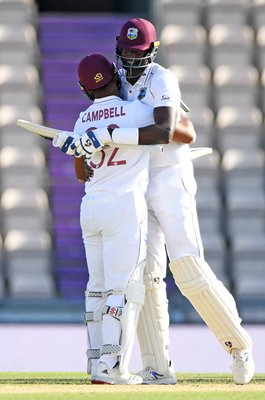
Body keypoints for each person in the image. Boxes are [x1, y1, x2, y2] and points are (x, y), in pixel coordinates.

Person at [64, 18, 255, 386]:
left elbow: (180, 131)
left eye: (139, 53)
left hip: (170, 178)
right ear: (119, 51)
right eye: (128, 53)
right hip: (137, 184)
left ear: (151, 51)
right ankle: (158, 368)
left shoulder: (161, 79)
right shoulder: (118, 86)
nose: (133, 61)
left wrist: (112, 134)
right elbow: (103, 134)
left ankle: (238, 346)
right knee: (147, 276)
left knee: (187, 268)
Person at [52, 53, 181, 385]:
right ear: (116, 76)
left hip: (91, 207)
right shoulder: (136, 111)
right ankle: (113, 368)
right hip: (124, 206)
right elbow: (165, 132)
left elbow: (82, 172)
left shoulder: (82, 120)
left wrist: (76, 146)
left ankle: (96, 364)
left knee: (96, 289)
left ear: (84, 87)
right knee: (122, 289)